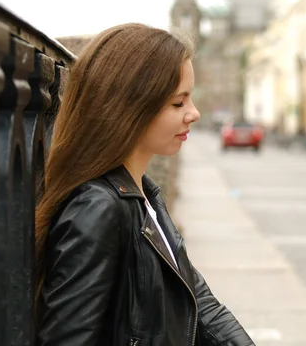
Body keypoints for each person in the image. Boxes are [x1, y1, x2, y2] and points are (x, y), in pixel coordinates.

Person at [35, 23, 254, 346]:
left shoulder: (144, 195)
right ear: (131, 108)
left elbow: (201, 304)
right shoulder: (97, 208)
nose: (193, 113)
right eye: (178, 103)